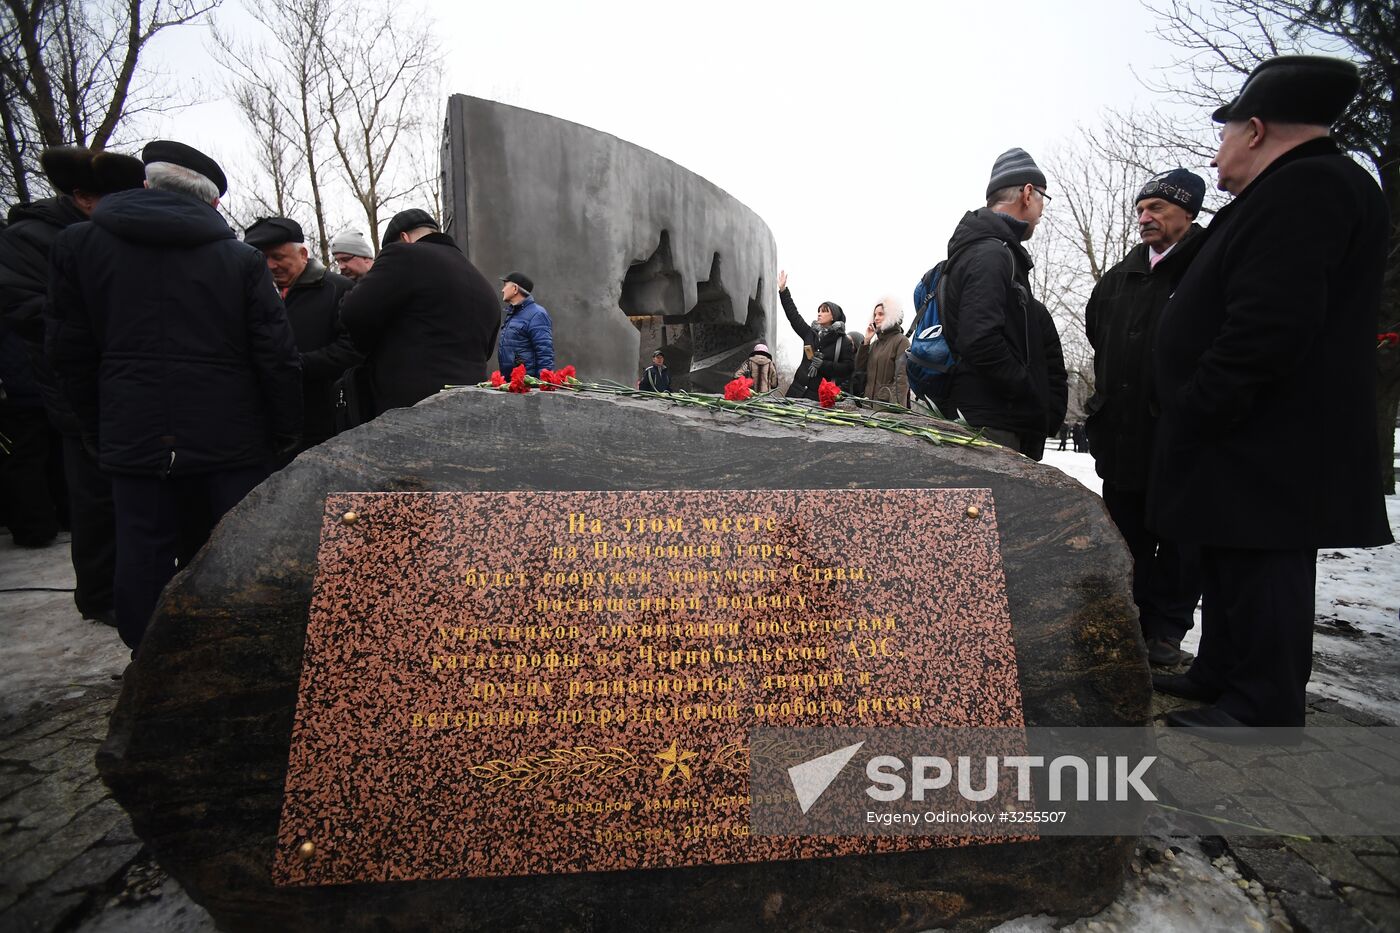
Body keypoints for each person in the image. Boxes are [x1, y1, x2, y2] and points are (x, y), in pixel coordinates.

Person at [1149, 56, 1392, 731]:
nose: (1216, 154)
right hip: (1247, 429)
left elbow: (1270, 324)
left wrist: (1200, 401)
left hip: (1269, 429)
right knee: (1231, 551)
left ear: (1255, 130)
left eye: (1224, 134)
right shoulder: (1288, 188)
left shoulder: (1310, 186)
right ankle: (1223, 672)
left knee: (1264, 560)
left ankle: (1264, 704)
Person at [46, 140, 302, 650]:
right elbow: (276, 356)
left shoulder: (78, 246)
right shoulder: (239, 259)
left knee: (141, 548)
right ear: (213, 202)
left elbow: (69, 353)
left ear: (146, 184)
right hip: (230, 433)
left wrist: (96, 426)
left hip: (132, 426)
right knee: (230, 547)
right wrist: (283, 433)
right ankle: (224, 655)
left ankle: (149, 661)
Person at [0, 147, 144, 622]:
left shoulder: (108, 233)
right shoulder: (31, 239)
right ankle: (102, 596)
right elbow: (24, 310)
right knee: (95, 498)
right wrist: (99, 323)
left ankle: (134, 585)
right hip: (77, 390)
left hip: (126, 384)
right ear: (84, 197)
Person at [1085, 168, 1209, 669]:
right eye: (1140, 209)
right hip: (1122, 435)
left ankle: (1166, 631)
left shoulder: (1208, 266)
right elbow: (1098, 336)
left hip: (1181, 436)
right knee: (1126, 536)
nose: (1145, 217)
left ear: (1188, 212)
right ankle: (1129, 621)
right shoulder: (1118, 278)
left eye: (1157, 207)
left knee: (1181, 541)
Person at [940, 148, 1067, 461]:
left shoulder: (992, 250)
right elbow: (980, 340)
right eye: (1043, 197)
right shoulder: (991, 253)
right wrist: (1029, 392)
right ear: (1027, 193)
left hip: (992, 419)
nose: (1042, 208)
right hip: (992, 425)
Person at [338, 208, 500, 416]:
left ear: (404, 238)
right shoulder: (481, 282)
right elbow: (487, 350)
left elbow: (354, 311)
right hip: (470, 408)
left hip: (409, 406)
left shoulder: (403, 254)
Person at [244, 217, 360, 456]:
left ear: (303, 254)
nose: (270, 265)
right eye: (263, 258)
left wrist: (297, 364)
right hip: (269, 422)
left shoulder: (338, 289)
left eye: (277, 256)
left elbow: (352, 349)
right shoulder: (256, 294)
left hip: (323, 421)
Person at [777, 270, 852, 400]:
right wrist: (783, 291)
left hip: (818, 397)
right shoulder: (810, 333)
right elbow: (793, 315)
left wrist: (823, 364)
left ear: (833, 316)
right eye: (819, 311)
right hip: (796, 391)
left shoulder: (843, 341)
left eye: (824, 311)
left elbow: (848, 368)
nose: (819, 314)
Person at [497, 271, 555, 377]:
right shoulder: (513, 313)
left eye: (505, 285)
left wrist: (542, 383)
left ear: (515, 288)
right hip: (513, 383)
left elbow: (545, 354)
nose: (502, 290)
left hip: (527, 384)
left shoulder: (537, 314)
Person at [855, 296, 910, 406]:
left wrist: (896, 408)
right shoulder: (874, 344)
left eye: (881, 314)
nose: (876, 318)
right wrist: (866, 341)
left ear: (891, 316)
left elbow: (901, 379)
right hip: (868, 403)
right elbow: (859, 368)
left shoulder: (901, 341)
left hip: (886, 406)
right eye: (875, 315)